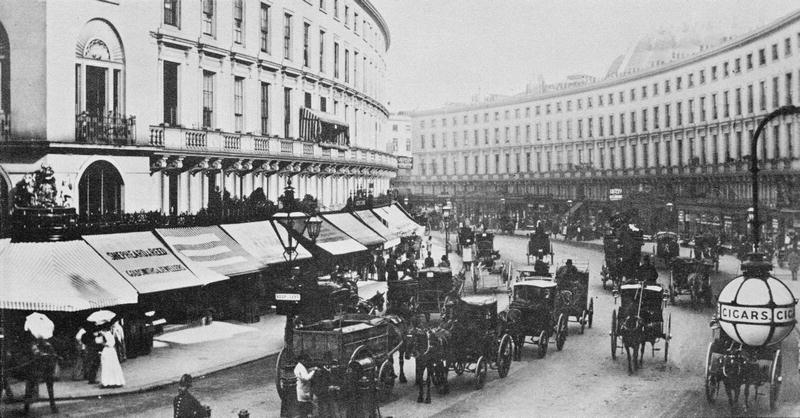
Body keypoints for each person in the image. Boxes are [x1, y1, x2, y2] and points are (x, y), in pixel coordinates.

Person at [97, 324, 125, 388]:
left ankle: (107, 382)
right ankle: (116, 381)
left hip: (107, 351)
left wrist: (103, 343)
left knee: (106, 367)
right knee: (113, 366)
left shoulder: (104, 334)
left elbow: (103, 343)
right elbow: (112, 343)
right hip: (112, 351)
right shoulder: (110, 333)